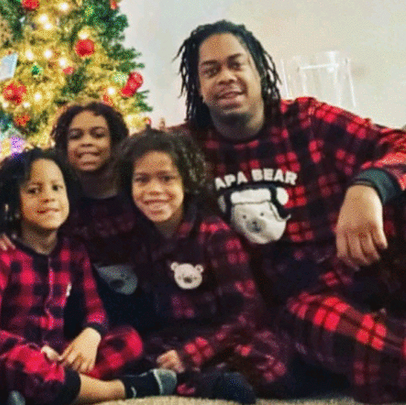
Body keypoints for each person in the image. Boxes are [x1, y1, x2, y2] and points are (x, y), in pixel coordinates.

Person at [174, 19, 406, 403]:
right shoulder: (184, 148)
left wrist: (367, 188)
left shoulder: (306, 121)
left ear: (259, 71)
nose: (226, 77)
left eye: (236, 64)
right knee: (321, 327)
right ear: (198, 86)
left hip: (368, 262)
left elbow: (398, 143)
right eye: (211, 70)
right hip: (301, 309)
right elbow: (124, 176)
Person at [0, 148, 177, 405]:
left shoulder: (73, 251)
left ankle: (55, 390)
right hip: (19, 356)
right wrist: (35, 353)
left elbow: (95, 309)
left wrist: (91, 335)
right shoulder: (2, 256)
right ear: (14, 206)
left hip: (60, 355)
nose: (48, 197)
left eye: (57, 188)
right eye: (34, 190)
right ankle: (123, 389)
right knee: (22, 365)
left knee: (128, 339)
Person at [117, 127, 304, 403]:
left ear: (186, 181)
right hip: (175, 336)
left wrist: (193, 353)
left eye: (167, 178)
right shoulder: (141, 238)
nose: (154, 190)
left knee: (269, 361)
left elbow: (247, 313)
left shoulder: (214, 234)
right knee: (134, 351)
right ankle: (202, 380)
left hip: (227, 335)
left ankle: (209, 380)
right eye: (142, 180)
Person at [50, 102, 152, 335]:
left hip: (145, 310)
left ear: (115, 143)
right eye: (76, 136)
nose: (86, 142)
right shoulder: (59, 200)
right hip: (83, 317)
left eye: (98, 135)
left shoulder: (137, 192)